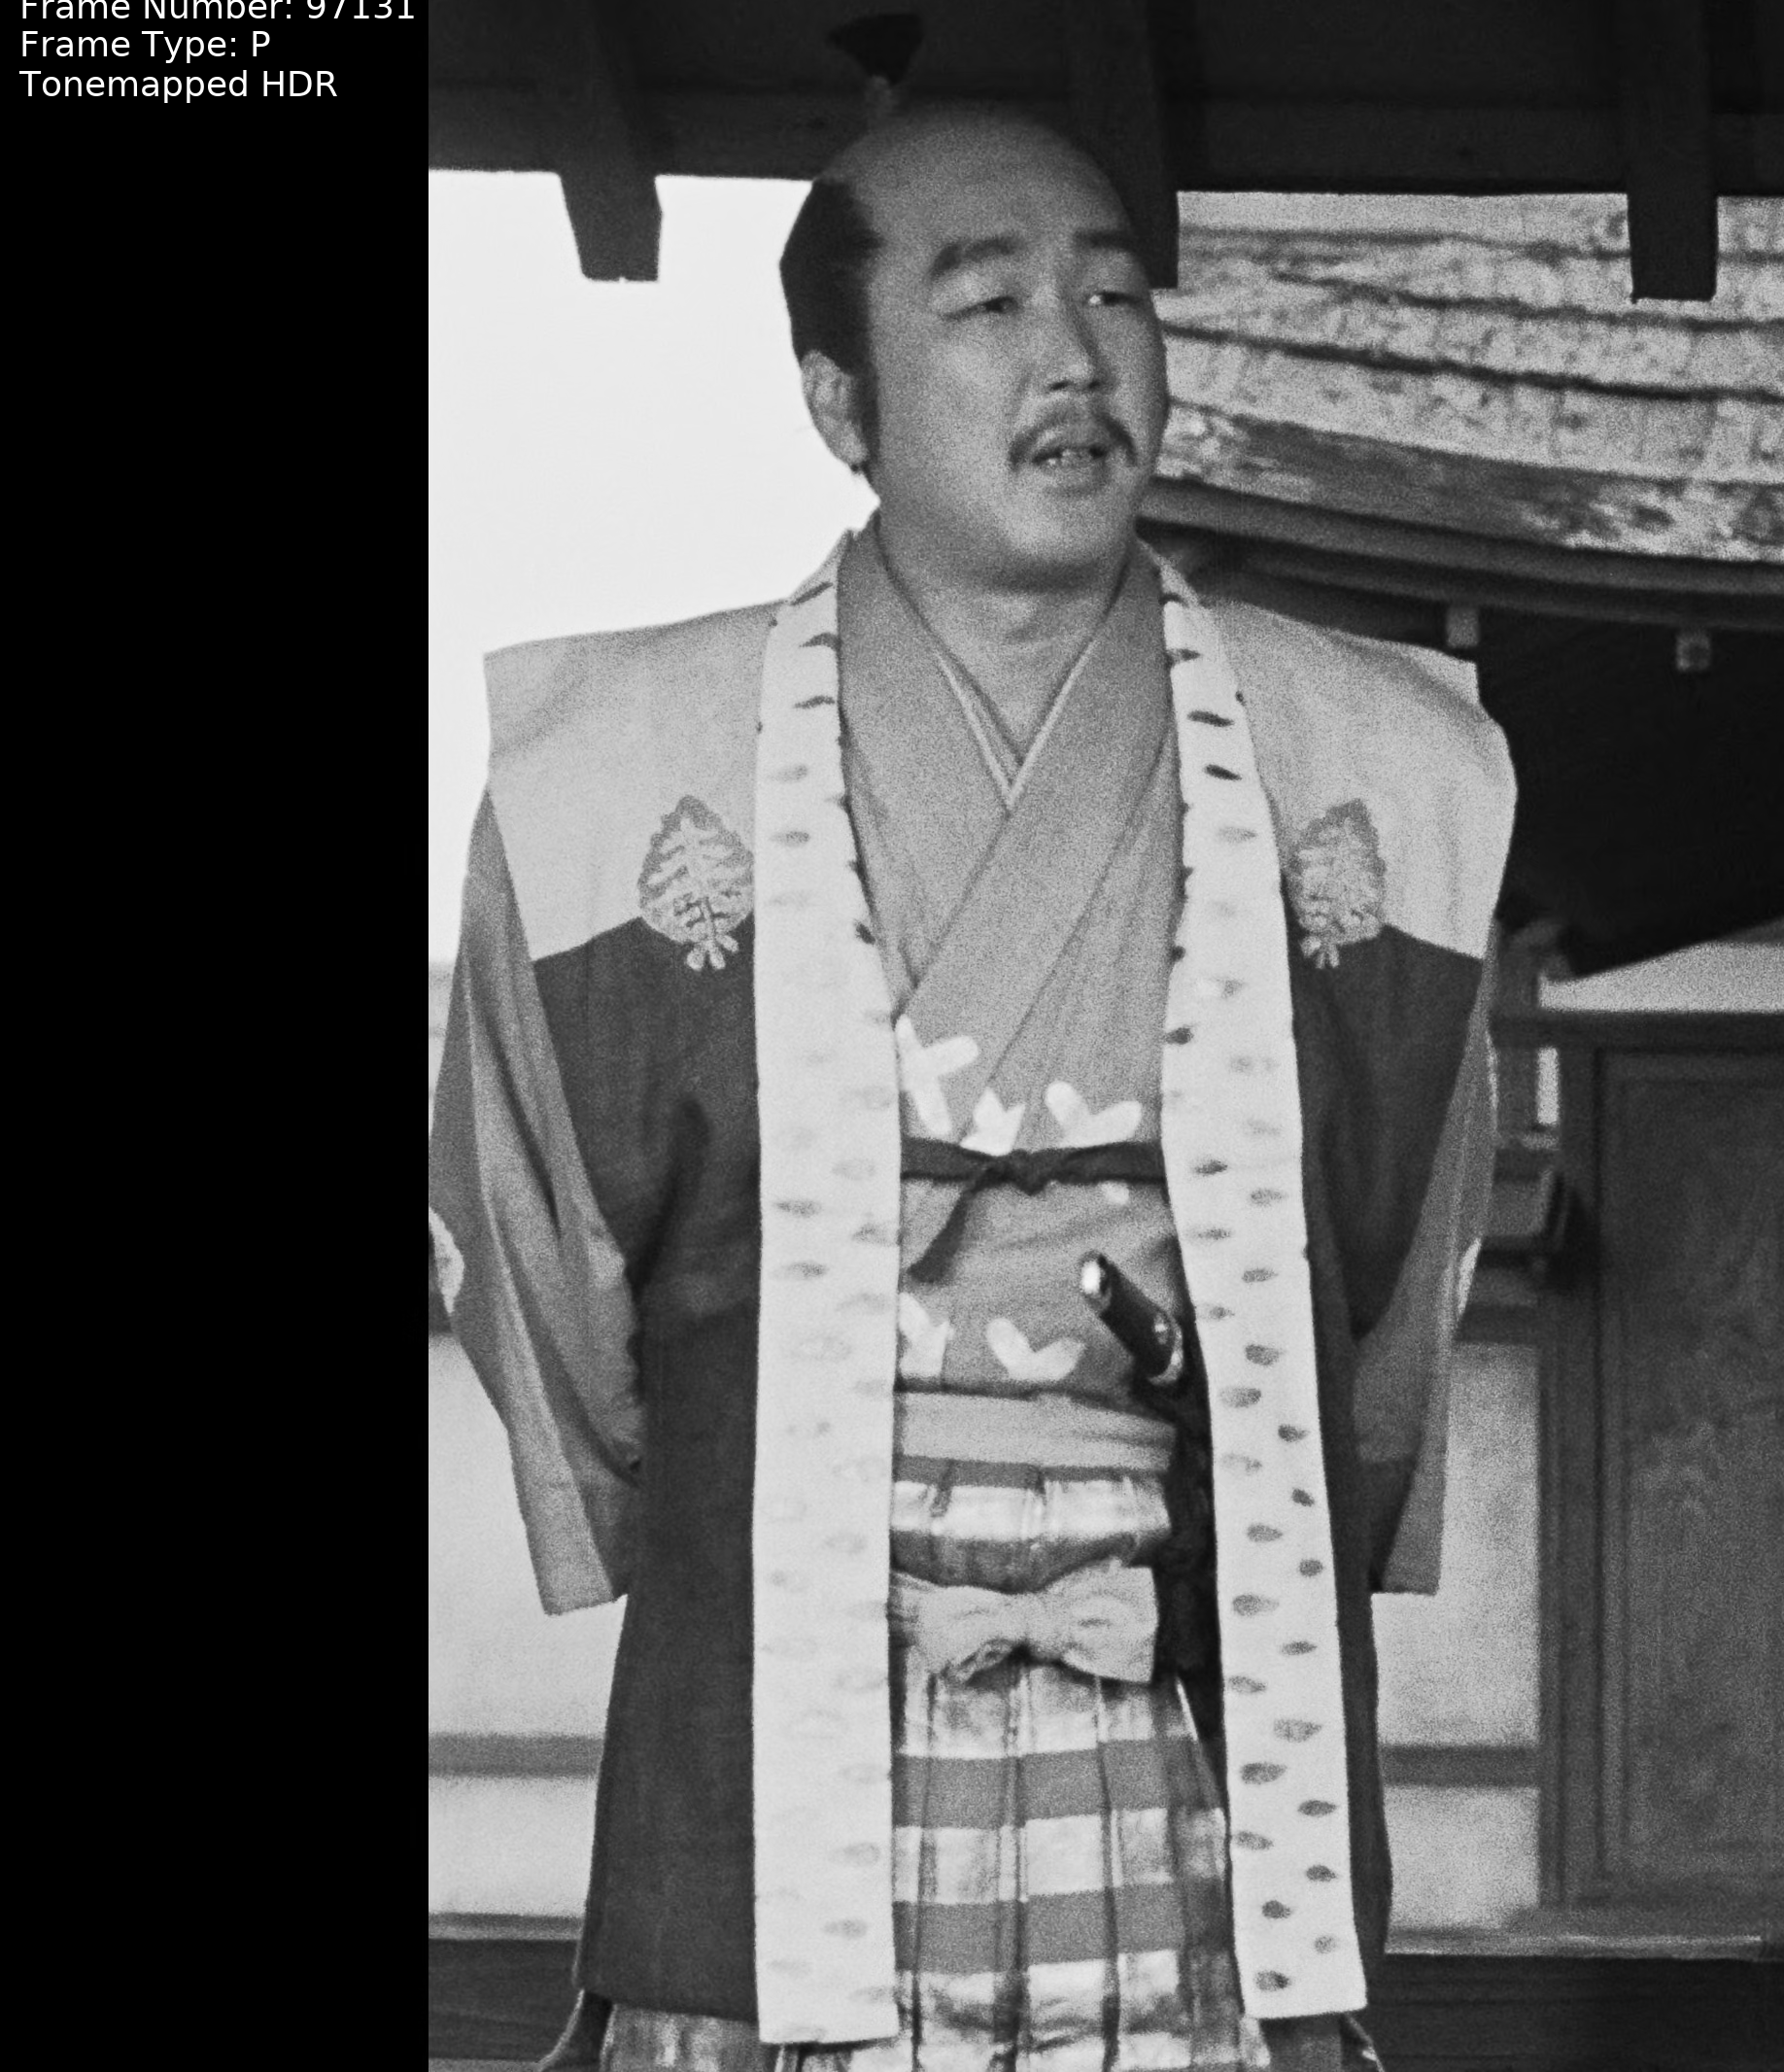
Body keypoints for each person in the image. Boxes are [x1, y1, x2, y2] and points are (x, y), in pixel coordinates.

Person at [429, 104, 1516, 2072]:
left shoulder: (1374, 763)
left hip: (1189, 1658)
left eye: (1115, 294)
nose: (1077, 357)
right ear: (837, 398)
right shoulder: (611, 775)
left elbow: (1388, 1278)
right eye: (992, 303)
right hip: (787, 1688)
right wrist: (772, 1486)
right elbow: (544, 1278)